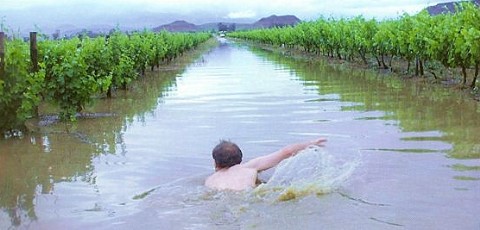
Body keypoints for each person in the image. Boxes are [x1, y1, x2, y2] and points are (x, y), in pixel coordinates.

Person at [205, 138, 327, 191]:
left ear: (216, 163)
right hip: (245, 197)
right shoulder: (249, 167)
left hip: (221, 198)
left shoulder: (210, 180)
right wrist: (310, 143)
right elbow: (287, 152)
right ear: (240, 160)